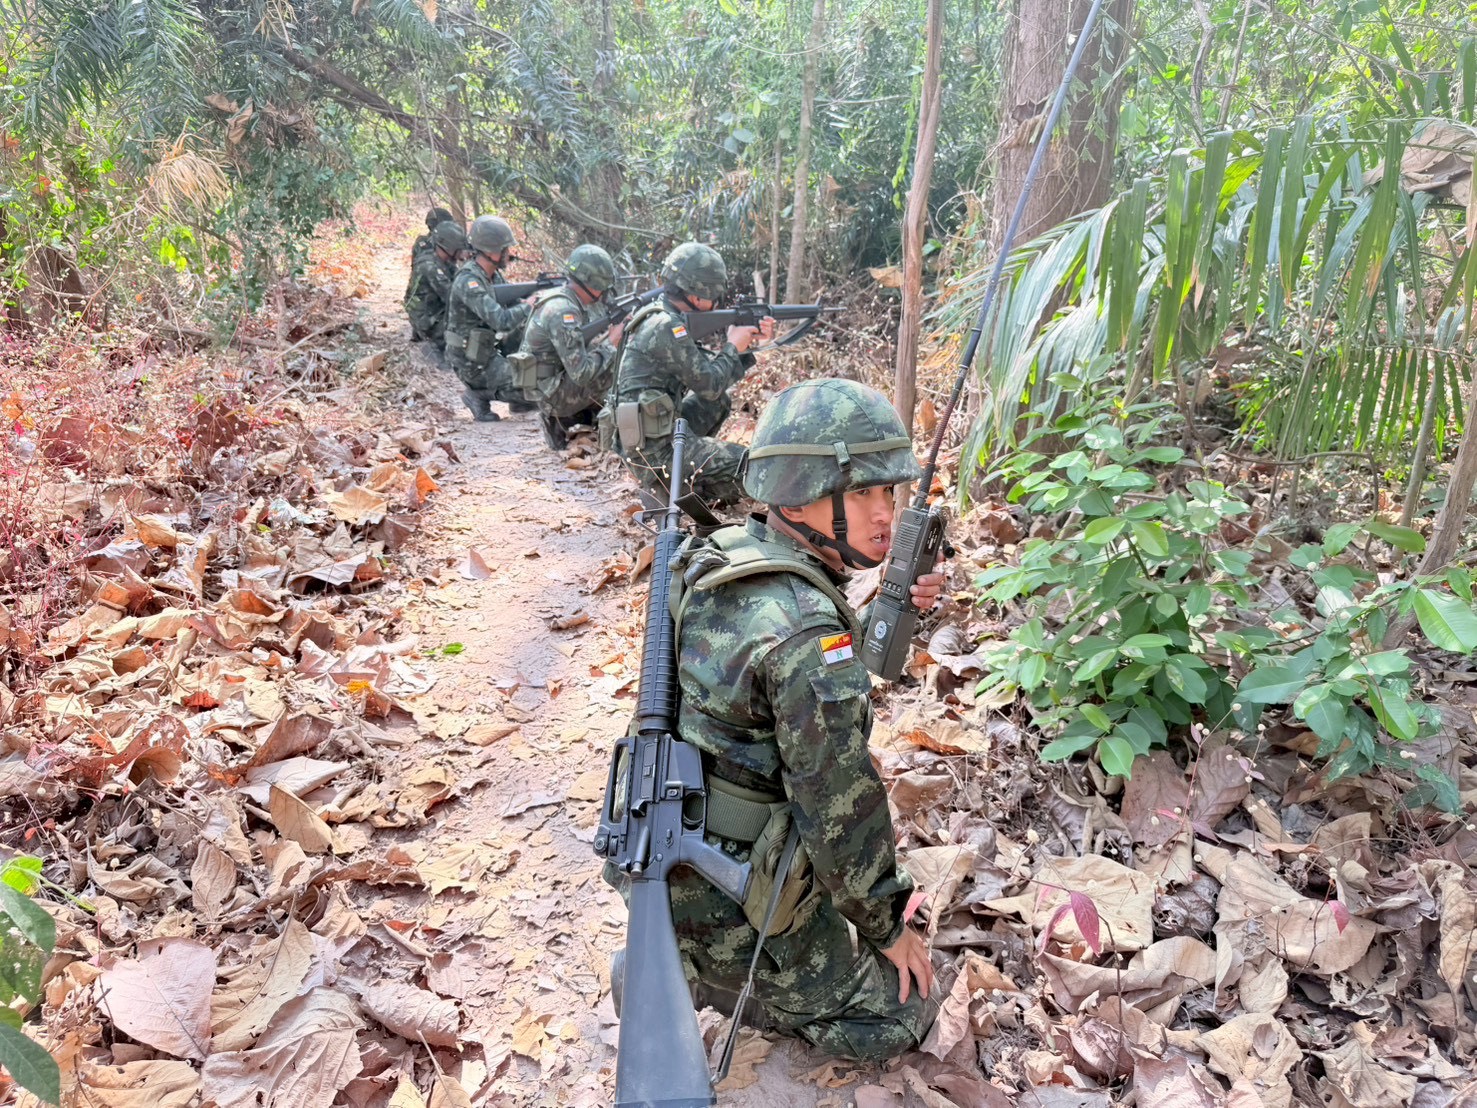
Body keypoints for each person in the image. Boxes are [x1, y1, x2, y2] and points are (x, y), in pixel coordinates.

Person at [610, 378, 945, 1062]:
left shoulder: (725, 556)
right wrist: (885, 923)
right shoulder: (805, 635)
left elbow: (774, 658)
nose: (885, 513)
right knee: (900, 1012)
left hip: (683, 842)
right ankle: (729, 985)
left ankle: (691, 962)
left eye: (890, 493)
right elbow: (837, 807)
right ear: (799, 496)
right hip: (736, 893)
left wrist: (882, 606)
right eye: (864, 494)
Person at [607, 242, 773, 505]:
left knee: (717, 403)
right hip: (654, 453)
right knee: (751, 466)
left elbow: (703, 376)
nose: (716, 302)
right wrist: (733, 345)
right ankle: (674, 484)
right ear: (697, 297)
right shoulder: (667, 326)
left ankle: (686, 477)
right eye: (714, 296)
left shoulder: (654, 315)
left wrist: (745, 344)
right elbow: (710, 383)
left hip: (642, 440)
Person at [512, 244, 624, 450]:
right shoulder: (563, 312)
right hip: (552, 395)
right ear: (590, 283)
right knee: (616, 370)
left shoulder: (564, 299)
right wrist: (611, 343)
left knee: (607, 360)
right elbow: (581, 373)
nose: (604, 291)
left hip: (550, 385)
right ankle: (606, 432)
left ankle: (582, 419)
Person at [444, 215, 539, 422]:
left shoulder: (493, 276)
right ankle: (477, 394)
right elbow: (501, 320)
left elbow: (514, 308)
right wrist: (528, 306)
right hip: (470, 360)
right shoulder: (468, 281)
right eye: (504, 249)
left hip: (485, 349)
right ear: (491, 251)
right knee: (538, 391)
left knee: (535, 367)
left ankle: (515, 397)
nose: (508, 254)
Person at [403, 220, 468, 350]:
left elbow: (460, 282)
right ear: (450, 247)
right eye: (459, 248)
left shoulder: (444, 262)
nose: (462, 251)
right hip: (427, 322)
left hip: (434, 313)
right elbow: (452, 297)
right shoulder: (430, 266)